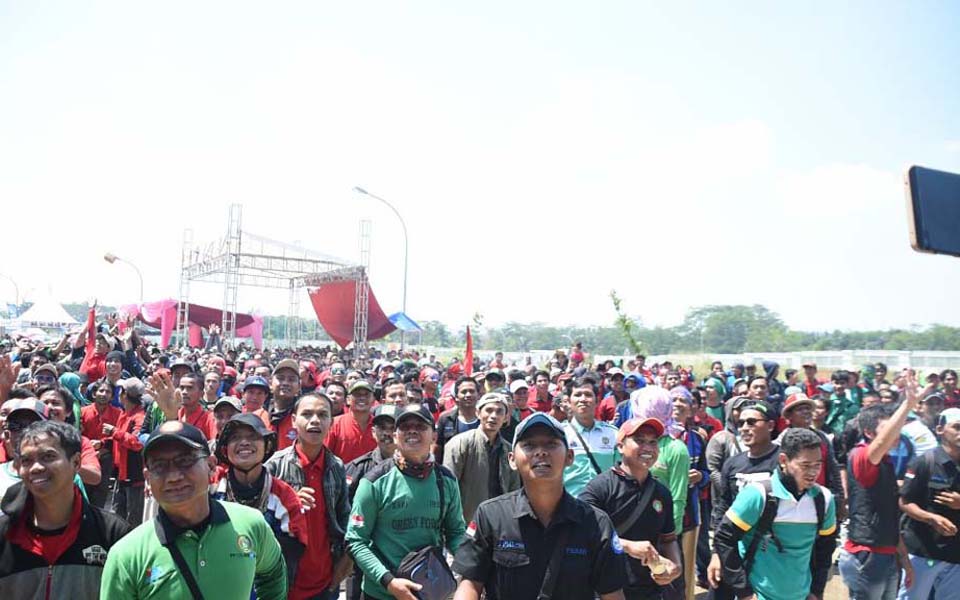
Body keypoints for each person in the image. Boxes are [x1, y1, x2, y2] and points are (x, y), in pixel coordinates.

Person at [102, 420, 288, 599]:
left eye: (185, 461)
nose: (173, 476)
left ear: (210, 465)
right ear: (148, 478)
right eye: (159, 466)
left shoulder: (251, 524)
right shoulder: (127, 555)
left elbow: (273, 573)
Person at [452, 412, 628, 600]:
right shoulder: (490, 516)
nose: (541, 452)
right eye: (529, 445)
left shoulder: (596, 523)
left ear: (569, 457)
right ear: (512, 459)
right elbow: (470, 583)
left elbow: (612, 594)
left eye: (551, 444)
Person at [347, 403, 467, 600]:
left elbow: (455, 532)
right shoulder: (374, 482)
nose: (412, 431)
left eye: (420, 426)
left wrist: (470, 570)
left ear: (434, 435)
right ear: (395, 436)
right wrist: (389, 582)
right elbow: (355, 541)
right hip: (380, 593)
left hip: (429, 591)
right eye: (405, 427)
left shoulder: (446, 480)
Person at [0, 420, 131, 598]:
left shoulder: (112, 533)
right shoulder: (4, 534)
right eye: (26, 461)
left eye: (48, 457)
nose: (36, 467)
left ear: (76, 462)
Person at [712, 428, 837, 600]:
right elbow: (724, 539)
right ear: (784, 460)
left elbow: (825, 548)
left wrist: (816, 591)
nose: (813, 472)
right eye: (805, 465)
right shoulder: (758, 495)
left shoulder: (824, 500)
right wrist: (744, 592)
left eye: (818, 465)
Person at [580, 417, 682, 599]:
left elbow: (668, 538)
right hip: (606, 590)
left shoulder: (661, 492)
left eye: (653, 442)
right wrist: (627, 546)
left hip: (648, 590)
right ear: (620, 446)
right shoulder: (600, 487)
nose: (648, 448)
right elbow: (582, 534)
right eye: (639, 441)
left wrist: (675, 566)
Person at [838, 379, 920, 600]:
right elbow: (882, 441)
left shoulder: (885, 462)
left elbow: (889, 516)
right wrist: (907, 405)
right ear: (869, 432)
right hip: (867, 556)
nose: (897, 434)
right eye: (889, 428)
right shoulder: (862, 456)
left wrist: (904, 560)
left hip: (888, 555)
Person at [267, 393, 352, 599]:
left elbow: (343, 516)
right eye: (307, 414)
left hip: (324, 581)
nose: (315, 420)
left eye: (323, 415)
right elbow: (259, 518)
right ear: (294, 421)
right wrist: (288, 502)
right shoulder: (274, 465)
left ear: (331, 422)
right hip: (284, 580)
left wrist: (343, 564)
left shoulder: (336, 466)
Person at [213, 413, 309, 591]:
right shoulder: (211, 488)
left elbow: (292, 553)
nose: (244, 443)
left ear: (267, 446)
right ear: (225, 449)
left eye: (253, 437)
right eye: (235, 438)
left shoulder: (284, 496)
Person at [707, 400, 781, 600]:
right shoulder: (733, 464)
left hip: (769, 552)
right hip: (732, 547)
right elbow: (722, 508)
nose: (745, 428)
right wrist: (716, 553)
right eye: (741, 423)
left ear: (771, 425)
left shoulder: (782, 462)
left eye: (751, 422)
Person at [897, 407, 960, 599]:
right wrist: (931, 518)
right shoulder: (925, 462)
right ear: (940, 430)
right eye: (957, 427)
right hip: (923, 551)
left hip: (956, 555)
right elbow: (905, 501)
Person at [344, 404, 399, 600]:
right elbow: (342, 510)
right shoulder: (356, 468)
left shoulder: (420, 470)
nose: (387, 433)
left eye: (392, 427)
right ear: (373, 432)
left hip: (400, 557)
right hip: (362, 557)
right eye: (382, 428)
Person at [443, 392, 521, 523]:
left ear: (506, 417)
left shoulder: (509, 450)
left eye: (499, 412)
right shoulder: (460, 443)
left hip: (500, 522)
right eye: (488, 410)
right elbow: (448, 488)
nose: (493, 416)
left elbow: (514, 490)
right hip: (466, 522)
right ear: (478, 413)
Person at [562, 375, 621, 496]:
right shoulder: (560, 434)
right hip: (569, 505)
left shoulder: (613, 434)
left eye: (588, 395)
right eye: (577, 395)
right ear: (568, 401)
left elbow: (621, 473)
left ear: (597, 401)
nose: (583, 399)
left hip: (604, 506)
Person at [105, 376, 148, 526]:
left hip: (134, 476)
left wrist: (114, 432)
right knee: (117, 514)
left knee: (132, 518)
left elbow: (137, 442)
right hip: (121, 474)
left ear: (124, 394)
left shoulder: (139, 417)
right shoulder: (125, 414)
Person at [81, 380, 122, 508]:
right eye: (101, 391)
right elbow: (78, 434)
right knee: (84, 490)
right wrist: (90, 450)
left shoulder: (118, 413)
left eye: (108, 392)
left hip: (106, 456)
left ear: (112, 396)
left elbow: (119, 435)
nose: (104, 394)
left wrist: (102, 444)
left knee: (101, 491)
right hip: (85, 457)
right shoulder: (83, 412)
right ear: (94, 394)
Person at [325, 380, 377, 464]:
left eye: (366, 395)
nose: (362, 398)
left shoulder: (379, 425)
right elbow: (325, 456)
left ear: (373, 400)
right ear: (348, 400)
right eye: (357, 395)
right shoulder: (334, 424)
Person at [436, 376, 481, 463]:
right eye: (464, 392)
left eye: (472, 391)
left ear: (478, 395)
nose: (468, 395)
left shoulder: (484, 419)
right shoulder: (445, 418)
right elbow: (438, 448)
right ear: (456, 396)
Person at [270, 358, 303, 450]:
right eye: (280, 378)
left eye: (291, 379)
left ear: (299, 387)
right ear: (270, 383)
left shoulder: (303, 418)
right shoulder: (260, 416)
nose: (285, 383)